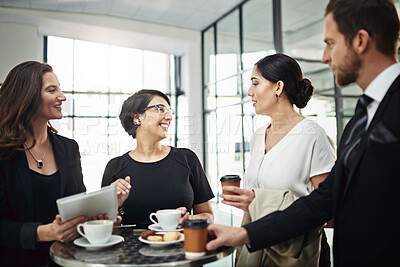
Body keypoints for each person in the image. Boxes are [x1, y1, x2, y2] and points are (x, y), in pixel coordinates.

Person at [205, 0, 400, 265]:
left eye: (330, 43)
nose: (324, 57)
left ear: (360, 41)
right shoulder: (359, 120)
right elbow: (324, 202)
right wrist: (245, 233)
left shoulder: (316, 132)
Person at [221, 54, 335, 266]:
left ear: (278, 87)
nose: (250, 92)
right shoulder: (258, 135)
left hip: (294, 254)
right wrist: (248, 202)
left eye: (255, 83)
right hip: (256, 245)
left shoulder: (312, 135)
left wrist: (260, 203)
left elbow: (329, 212)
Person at [0, 61, 88, 266]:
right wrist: (45, 232)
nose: (63, 97)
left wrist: (98, 216)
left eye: (60, 88)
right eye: (52, 90)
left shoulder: (69, 149)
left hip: (67, 260)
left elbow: (78, 203)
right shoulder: (4, 152)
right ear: (26, 96)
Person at [102, 89, 214, 227]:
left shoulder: (187, 159)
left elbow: (208, 216)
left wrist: (190, 219)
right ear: (137, 117)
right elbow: (105, 226)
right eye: (160, 109)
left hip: (181, 246)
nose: (169, 117)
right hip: (130, 247)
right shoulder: (115, 167)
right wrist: (116, 207)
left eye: (169, 111)